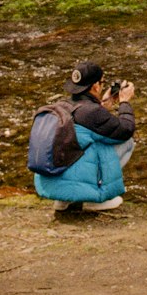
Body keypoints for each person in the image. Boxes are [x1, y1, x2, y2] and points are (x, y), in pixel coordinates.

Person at [33, 60, 135, 213]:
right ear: (95, 86)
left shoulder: (61, 106)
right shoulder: (93, 112)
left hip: (48, 183)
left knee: (83, 145)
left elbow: (85, 123)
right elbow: (126, 130)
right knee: (126, 142)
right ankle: (93, 198)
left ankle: (64, 200)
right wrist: (125, 102)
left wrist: (102, 106)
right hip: (78, 188)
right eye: (101, 82)